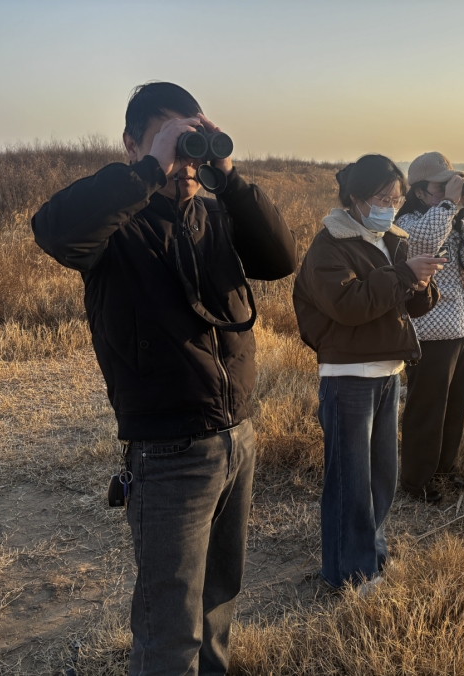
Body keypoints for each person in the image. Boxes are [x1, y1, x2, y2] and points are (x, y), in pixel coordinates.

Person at [31, 82, 297, 676]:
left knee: (218, 604)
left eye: (193, 142)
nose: (187, 161)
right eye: (172, 141)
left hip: (238, 437)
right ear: (131, 144)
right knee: (169, 629)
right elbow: (52, 229)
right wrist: (153, 168)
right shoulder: (115, 226)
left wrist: (226, 173)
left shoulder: (214, 212)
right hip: (168, 450)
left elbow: (280, 259)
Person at [292, 154, 444, 589]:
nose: (390, 207)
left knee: (381, 478)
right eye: (382, 198)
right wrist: (401, 274)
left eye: (395, 199)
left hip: (387, 370)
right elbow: (350, 304)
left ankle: (371, 559)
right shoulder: (329, 246)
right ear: (356, 199)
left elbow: (406, 304)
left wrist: (421, 282)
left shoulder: (389, 238)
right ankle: (348, 574)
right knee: (350, 482)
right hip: (348, 375)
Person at [396, 151, 464, 503]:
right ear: (420, 191)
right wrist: (449, 206)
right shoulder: (409, 220)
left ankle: (444, 469)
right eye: (440, 186)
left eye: (451, 183)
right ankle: (416, 481)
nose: (448, 191)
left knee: (454, 406)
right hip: (429, 330)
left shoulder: (456, 216)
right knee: (426, 409)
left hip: (462, 326)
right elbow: (423, 243)